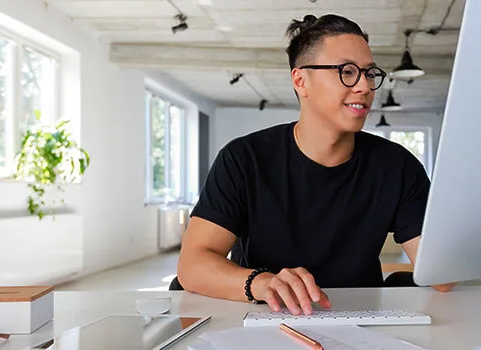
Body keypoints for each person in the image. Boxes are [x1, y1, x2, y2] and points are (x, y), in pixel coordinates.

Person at [177, 13, 455, 317]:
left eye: (370, 73)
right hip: (265, 317)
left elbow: (440, 278)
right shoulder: (244, 159)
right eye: (347, 71)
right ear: (300, 80)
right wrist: (262, 283)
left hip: (360, 320)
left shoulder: (398, 166)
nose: (364, 86)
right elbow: (193, 265)